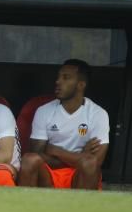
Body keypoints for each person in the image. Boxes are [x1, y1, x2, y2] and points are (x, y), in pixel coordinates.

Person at [18, 59, 109, 190]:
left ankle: (81, 209)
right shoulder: (44, 111)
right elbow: (37, 153)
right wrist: (79, 156)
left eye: (66, 78)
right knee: (29, 159)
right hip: (49, 174)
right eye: (58, 77)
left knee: (89, 164)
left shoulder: (98, 114)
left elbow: (96, 161)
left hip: (79, 175)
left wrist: (56, 151)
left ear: (81, 85)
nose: (58, 82)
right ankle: (26, 209)